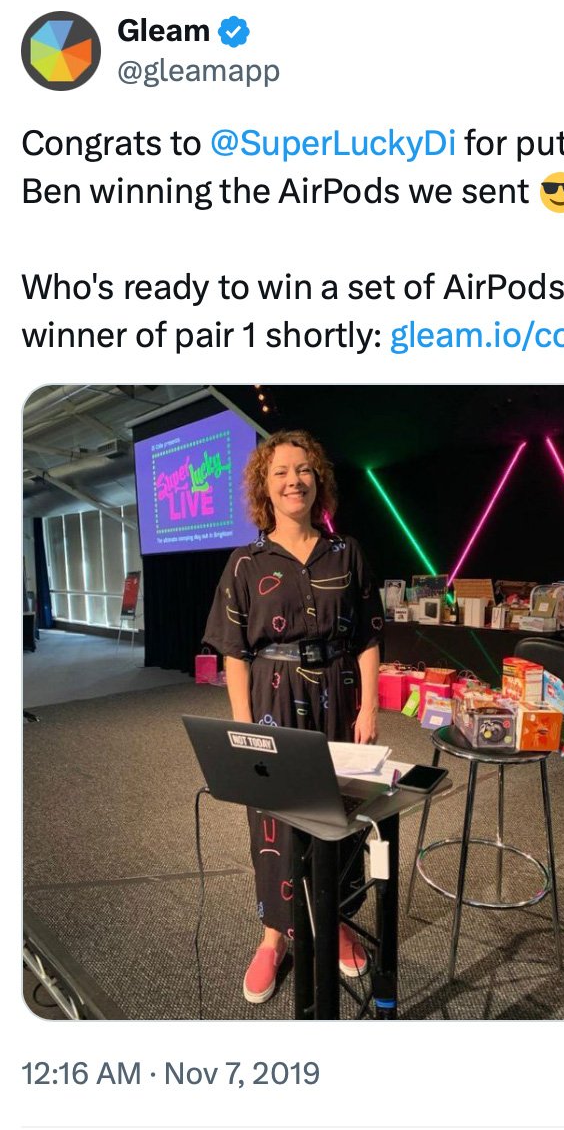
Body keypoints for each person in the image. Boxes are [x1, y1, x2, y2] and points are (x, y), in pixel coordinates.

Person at [203, 430, 384, 1004]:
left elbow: (368, 635)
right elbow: (234, 651)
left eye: (303, 469)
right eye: (280, 471)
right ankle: (273, 936)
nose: (293, 481)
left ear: (318, 479)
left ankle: (337, 919)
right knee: (275, 815)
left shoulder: (346, 553)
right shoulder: (245, 563)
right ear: (265, 485)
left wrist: (370, 705)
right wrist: (241, 726)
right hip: (272, 700)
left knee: (340, 807)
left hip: (338, 693)